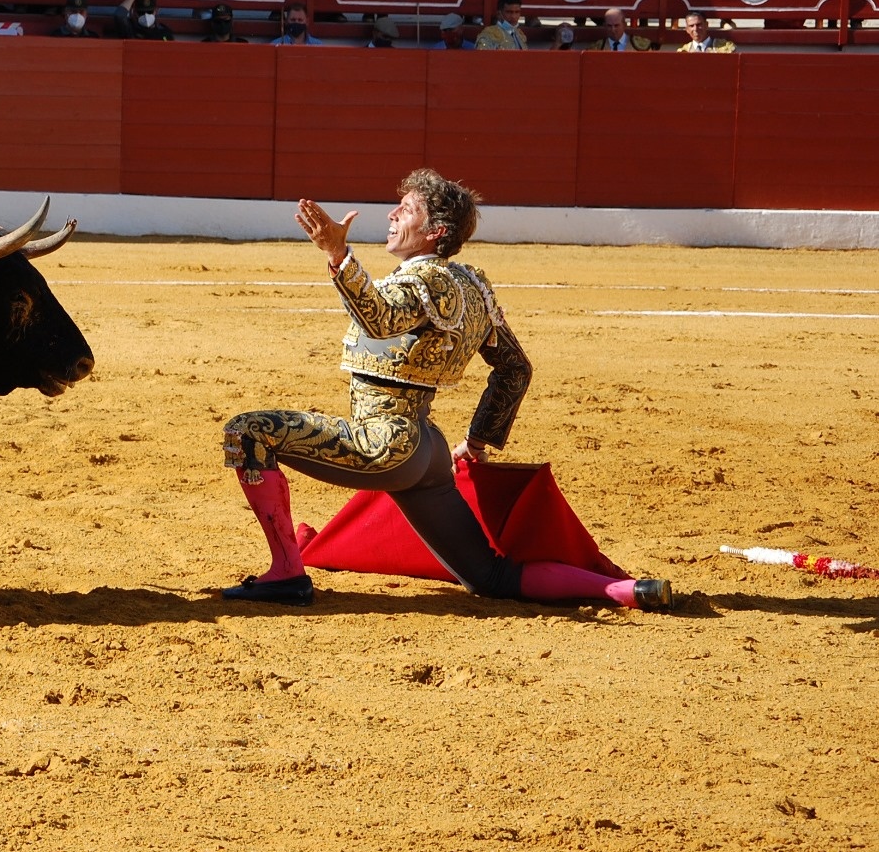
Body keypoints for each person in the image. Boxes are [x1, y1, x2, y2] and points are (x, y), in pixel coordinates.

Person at [220, 172, 673, 611]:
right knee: (492, 577)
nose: (393, 213)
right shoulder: (472, 286)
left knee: (248, 432)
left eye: (408, 208)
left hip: (384, 445)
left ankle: (286, 574)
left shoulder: (424, 281)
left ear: (436, 231)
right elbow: (515, 368)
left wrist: (339, 253)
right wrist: (478, 441)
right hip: (428, 453)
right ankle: (626, 590)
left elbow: (379, 319)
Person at [588, 7, 655, 51]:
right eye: (609, 26)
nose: (613, 29)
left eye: (616, 25)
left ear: (624, 25)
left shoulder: (640, 47)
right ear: (604, 26)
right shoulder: (597, 49)